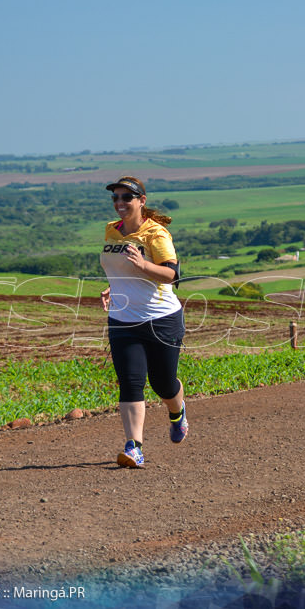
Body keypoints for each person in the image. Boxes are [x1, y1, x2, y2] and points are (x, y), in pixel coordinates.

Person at [100, 176, 188, 468]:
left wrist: (143, 265)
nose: (120, 203)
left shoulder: (156, 234)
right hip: (122, 319)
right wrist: (115, 287)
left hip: (161, 318)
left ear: (141, 201)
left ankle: (177, 413)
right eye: (115, 198)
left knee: (162, 384)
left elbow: (172, 275)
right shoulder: (111, 231)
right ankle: (134, 447)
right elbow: (121, 269)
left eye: (126, 197)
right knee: (130, 382)